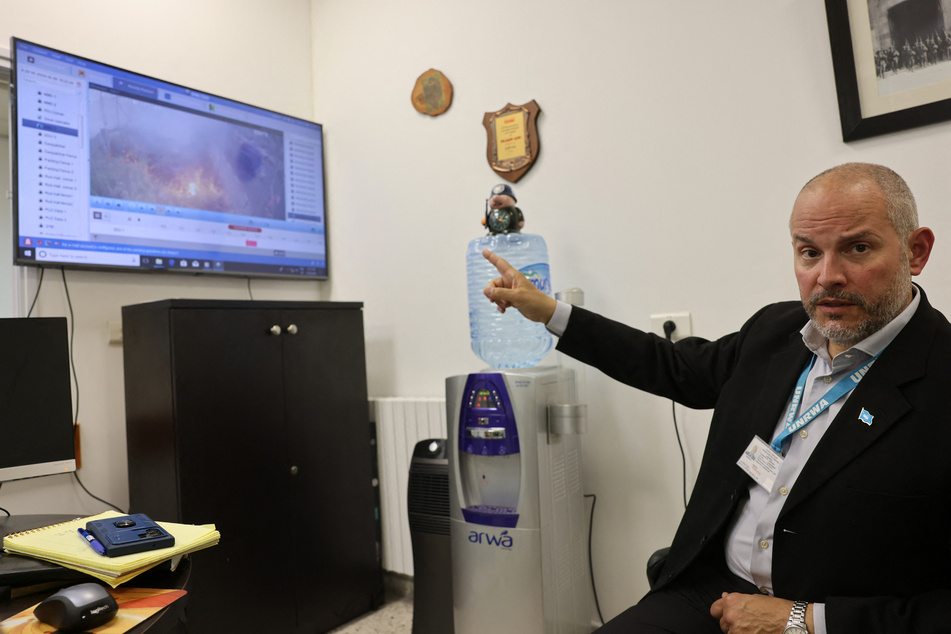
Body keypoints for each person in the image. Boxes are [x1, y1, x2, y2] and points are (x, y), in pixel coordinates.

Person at [482, 163, 951, 633]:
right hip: (710, 594)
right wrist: (549, 311)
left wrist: (803, 620)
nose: (828, 276)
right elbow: (672, 366)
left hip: (829, 621)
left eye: (858, 248)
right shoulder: (774, 332)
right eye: (809, 253)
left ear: (917, 250)